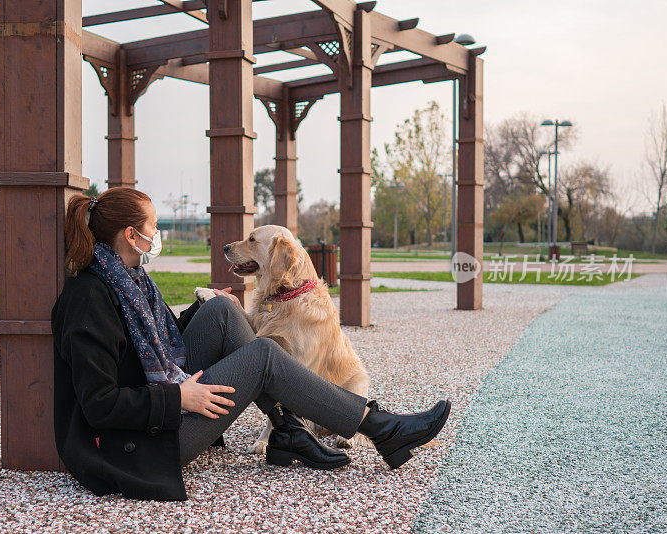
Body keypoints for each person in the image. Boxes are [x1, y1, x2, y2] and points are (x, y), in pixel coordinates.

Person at [52, 187, 451, 501]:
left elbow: (159, 343)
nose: (158, 235)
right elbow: (99, 403)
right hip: (136, 446)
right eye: (154, 227)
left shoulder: (132, 280)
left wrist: (205, 309)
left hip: (157, 409)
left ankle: (289, 429)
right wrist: (178, 399)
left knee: (224, 312)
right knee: (263, 354)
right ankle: (375, 426)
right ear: (130, 235)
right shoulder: (89, 299)